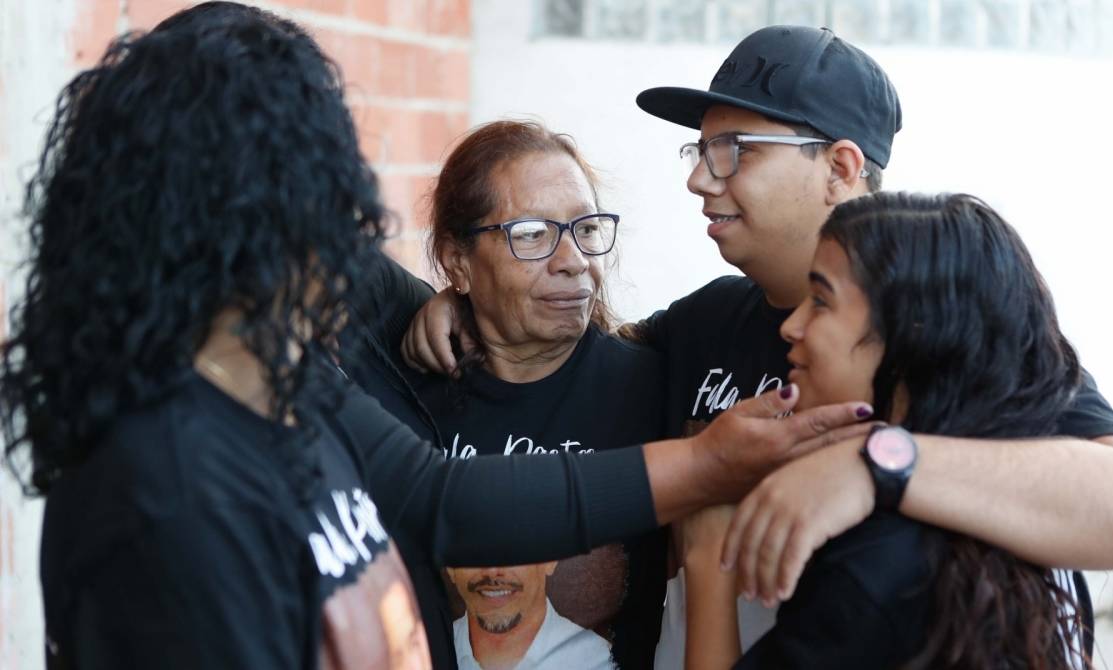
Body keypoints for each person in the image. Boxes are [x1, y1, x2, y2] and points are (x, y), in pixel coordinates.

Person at [0, 6, 874, 668]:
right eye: (312, 191)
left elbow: (441, 498)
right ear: (218, 223)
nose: (345, 230)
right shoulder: (166, 490)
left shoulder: (292, 384)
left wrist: (732, 464)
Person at [401, 25, 1113, 667]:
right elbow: (575, 350)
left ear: (840, 166)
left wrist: (873, 465)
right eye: (697, 154)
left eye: (733, 150)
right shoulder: (707, 320)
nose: (701, 182)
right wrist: (468, 303)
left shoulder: (944, 336)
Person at [685, 191, 1102, 668]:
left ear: (913, 336)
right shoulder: (1028, 526)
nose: (792, 326)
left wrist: (708, 559)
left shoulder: (872, 568)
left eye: (820, 301)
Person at [345, 119, 667, 669]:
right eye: (533, 234)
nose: (573, 261)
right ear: (456, 262)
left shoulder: (653, 389)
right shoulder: (407, 392)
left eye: (585, 229)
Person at [447, 563, 612, 670]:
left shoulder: (599, 662)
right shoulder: (425, 655)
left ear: (550, 560)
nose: (492, 572)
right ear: (450, 568)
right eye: (472, 551)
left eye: (514, 549)